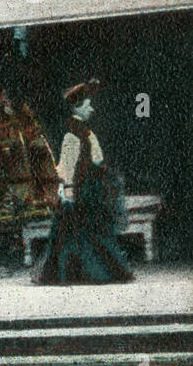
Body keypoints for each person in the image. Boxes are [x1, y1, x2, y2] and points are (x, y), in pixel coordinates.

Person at [37, 79, 134, 284]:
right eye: (87, 105)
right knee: (78, 236)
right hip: (82, 192)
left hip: (93, 190)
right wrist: (67, 193)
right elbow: (65, 168)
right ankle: (82, 272)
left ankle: (97, 271)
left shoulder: (86, 132)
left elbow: (97, 161)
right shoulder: (72, 136)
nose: (91, 108)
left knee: (95, 233)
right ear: (77, 108)